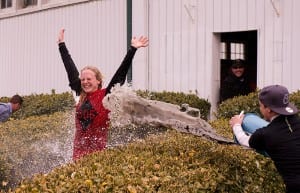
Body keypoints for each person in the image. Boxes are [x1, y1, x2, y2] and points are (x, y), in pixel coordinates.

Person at [57, 29, 149, 160]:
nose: (85, 82)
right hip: (77, 156)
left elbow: (120, 75)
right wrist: (62, 46)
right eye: (83, 79)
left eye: (89, 79)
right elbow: (70, 68)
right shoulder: (80, 94)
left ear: (98, 81)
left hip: (98, 157)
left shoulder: (106, 96)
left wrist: (133, 49)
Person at [229, 85, 300, 193]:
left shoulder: (267, 134)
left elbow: (245, 141)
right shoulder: (297, 121)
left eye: (261, 106)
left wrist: (236, 125)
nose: (260, 108)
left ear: (269, 110)